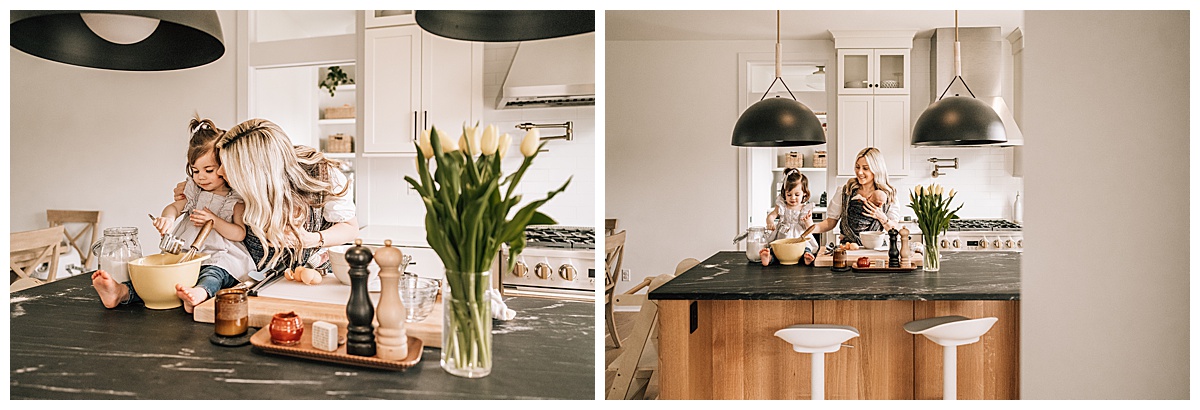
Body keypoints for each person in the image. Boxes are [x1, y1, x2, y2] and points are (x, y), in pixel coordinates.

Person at [92, 116, 255, 312]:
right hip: (186, 253)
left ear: (225, 166)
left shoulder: (234, 198)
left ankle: (200, 293)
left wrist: (214, 220)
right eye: (195, 171)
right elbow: (175, 208)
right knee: (162, 276)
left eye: (209, 170)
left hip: (221, 255)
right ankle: (122, 292)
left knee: (214, 274)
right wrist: (167, 219)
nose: (200, 176)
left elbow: (240, 233)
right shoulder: (193, 191)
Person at [214, 119, 358, 273]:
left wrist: (311, 239)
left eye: (227, 166)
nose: (219, 172)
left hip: (318, 278)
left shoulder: (323, 175)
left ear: (253, 172)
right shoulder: (233, 185)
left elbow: (350, 229)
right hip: (263, 281)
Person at [807, 147, 900, 247]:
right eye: (857, 167)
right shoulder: (846, 191)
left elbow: (894, 230)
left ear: (876, 170)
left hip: (876, 250)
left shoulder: (888, 195)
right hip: (848, 248)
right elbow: (830, 222)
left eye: (865, 168)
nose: (859, 172)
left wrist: (881, 217)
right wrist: (810, 228)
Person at [758, 168, 818, 266]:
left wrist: (807, 221)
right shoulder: (782, 205)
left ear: (805, 194)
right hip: (783, 234)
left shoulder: (805, 208)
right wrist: (770, 221)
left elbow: (811, 227)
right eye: (789, 194)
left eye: (797, 194)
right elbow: (772, 215)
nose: (793, 198)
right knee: (776, 250)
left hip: (799, 236)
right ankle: (769, 257)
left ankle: (806, 257)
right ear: (784, 193)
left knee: (805, 248)